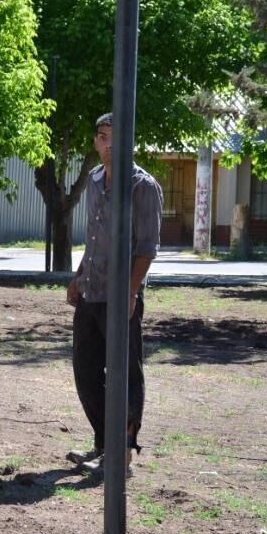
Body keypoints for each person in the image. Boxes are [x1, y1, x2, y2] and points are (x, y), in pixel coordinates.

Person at [65, 113, 163, 477]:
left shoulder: (142, 186)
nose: (107, 144)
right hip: (91, 291)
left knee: (125, 374)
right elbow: (93, 239)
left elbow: (147, 248)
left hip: (121, 296)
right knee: (86, 370)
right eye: (102, 136)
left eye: (114, 137)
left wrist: (132, 291)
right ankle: (103, 445)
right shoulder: (93, 180)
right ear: (96, 142)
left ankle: (123, 455)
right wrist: (77, 277)